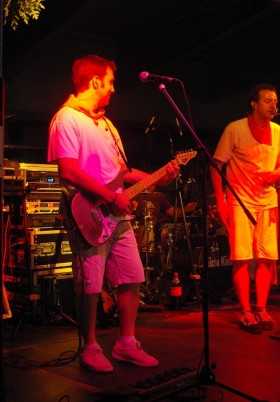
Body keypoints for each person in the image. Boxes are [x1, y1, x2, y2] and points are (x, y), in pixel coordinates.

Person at [47, 54, 179, 372]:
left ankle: (126, 343)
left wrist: (157, 175)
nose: (113, 90)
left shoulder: (106, 124)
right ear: (95, 82)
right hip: (87, 213)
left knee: (132, 276)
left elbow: (121, 171)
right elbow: (68, 172)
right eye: (109, 82)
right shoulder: (66, 119)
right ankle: (90, 347)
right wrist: (108, 196)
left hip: (116, 214)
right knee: (90, 284)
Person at [210, 83, 280, 334]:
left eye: (275, 101)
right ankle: (245, 310)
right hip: (240, 200)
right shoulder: (235, 129)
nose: (274, 105)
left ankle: (261, 307)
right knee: (242, 257)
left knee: (267, 257)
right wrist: (221, 201)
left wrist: (273, 174)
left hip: (268, 200)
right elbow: (216, 164)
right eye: (268, 100)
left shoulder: (278, 131)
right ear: (254, 104)